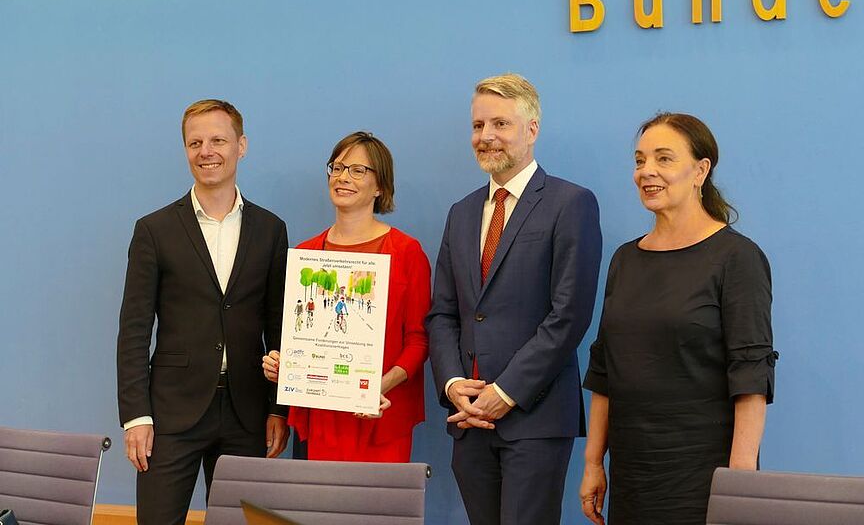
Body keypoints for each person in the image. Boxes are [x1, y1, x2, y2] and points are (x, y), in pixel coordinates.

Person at [579, 113, 778, 525]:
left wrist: (740, 479)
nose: (646, 171)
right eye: (639, 160)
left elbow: (751, 373)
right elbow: (604, 368)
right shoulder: (625, 259)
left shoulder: (737, 258)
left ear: (700, 170)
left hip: (704, 474)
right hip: (633, 473)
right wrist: (593, 462)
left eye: (664, 159)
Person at [427, 74, 602, 525]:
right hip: (468, 422)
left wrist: (506, 392)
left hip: (535, 417)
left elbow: (569, 316)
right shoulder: (461, 213)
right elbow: (444, 313)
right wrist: (452, 386)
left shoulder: (571, 203)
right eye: (478, 125)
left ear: (532, 129)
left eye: (500, 124)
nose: (486, 137)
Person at [117, 99, 289, 524]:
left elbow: (280, 325)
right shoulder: (154, 230)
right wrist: (136, 416)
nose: (206, 151)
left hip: (247, 412)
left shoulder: (271, 230)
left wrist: (277, 408)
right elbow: (134, 330)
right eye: (195, 142)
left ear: (241, 146)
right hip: (170, 413)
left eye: (218, 140)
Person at [262, 131, 431, 462]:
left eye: (358, 170)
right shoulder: (306, 253)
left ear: (380, 185)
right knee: (317, 513)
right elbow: (299, 334)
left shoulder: (407, 252)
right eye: (337, 167)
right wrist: (284, 366)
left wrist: (376, 388)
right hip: (320, 419)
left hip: (381, 417)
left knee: (376, 513)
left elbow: (419, 342)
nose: (343, 177)